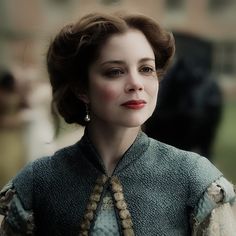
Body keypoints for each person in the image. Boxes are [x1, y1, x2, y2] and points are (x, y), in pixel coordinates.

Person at [0, 12, 235, 236]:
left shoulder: (194, 178)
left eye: (146, 69)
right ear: (82, 88)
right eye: (115, 71)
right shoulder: (37, 182)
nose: (136, 83)